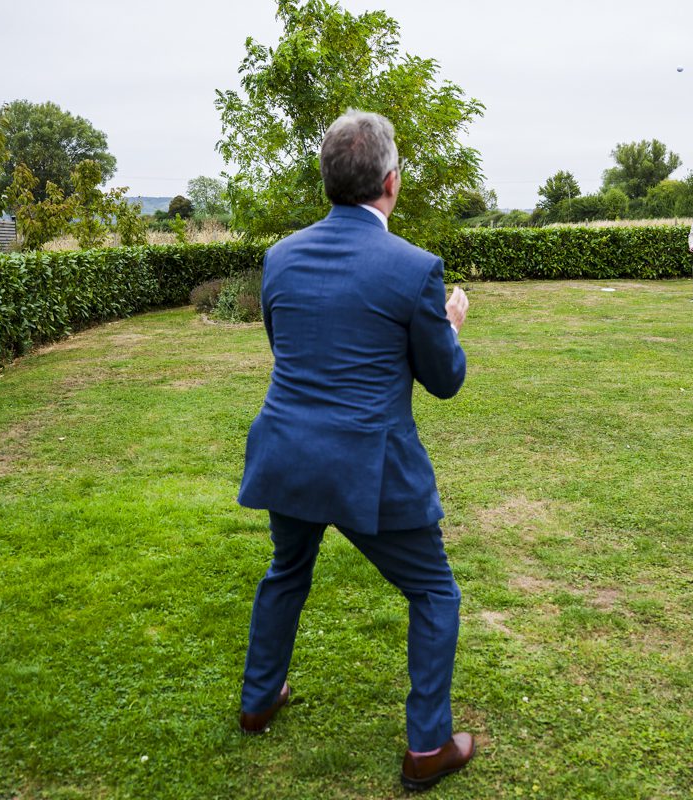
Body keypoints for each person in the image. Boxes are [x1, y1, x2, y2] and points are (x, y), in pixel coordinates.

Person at [235, 110, 476, 792]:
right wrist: (449, 326)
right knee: (433, 590)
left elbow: (286, 349)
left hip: (287, 451)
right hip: (371, 465)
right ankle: (427, 747)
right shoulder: (415, 269)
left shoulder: (281, 257)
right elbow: (444, 380)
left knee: (286, 571)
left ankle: (258, 701)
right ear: (392, 181)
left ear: (328, 181)